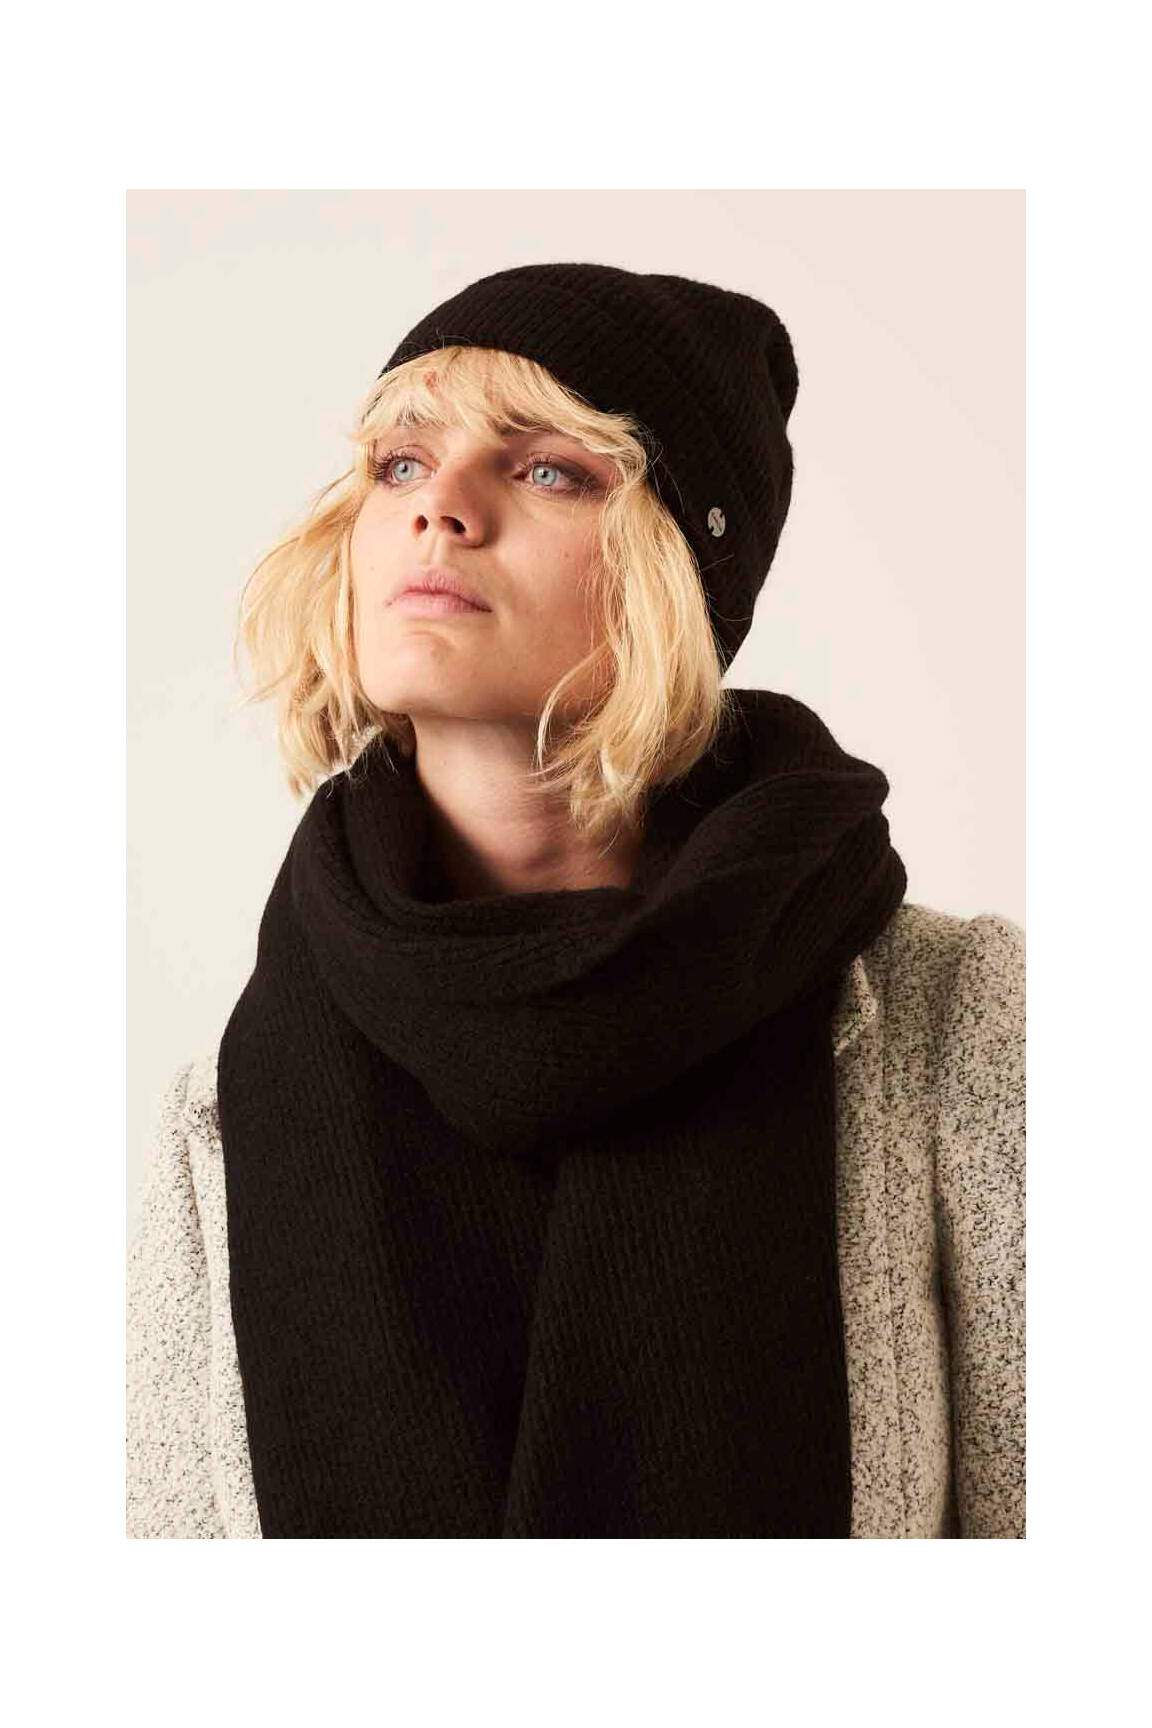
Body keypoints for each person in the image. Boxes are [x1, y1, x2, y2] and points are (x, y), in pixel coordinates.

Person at [126, 261, 1025, 1539]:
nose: (441, 507)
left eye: (548, 469)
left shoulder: (952, 1022)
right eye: (400, 462)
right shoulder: (221, 1114)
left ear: (682, 568)